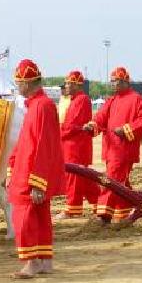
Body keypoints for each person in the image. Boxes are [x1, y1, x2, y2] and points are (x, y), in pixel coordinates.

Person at [7, 59, 64, 278]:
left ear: (27, 83)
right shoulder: (37, 105)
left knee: (24, 218)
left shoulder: (41, 106)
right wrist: (12, 165)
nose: (17, 87)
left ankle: (31, 263)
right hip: (26, 170)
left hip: (30, 175)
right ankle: (44, 262)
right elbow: (25, 141)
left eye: (18, 83)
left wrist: (37, 182)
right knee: (40, 217)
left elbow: (43, 146)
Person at [84, 67, 142, 224]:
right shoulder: (111, 100)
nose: (113, 84)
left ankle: (104, 215)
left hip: (124, 149)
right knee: (120, 182)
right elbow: (100, 118)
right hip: (111, 148)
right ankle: (130, 208)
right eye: (112, 81)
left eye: (116, 81)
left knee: (112, 180)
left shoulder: (137, 99)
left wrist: (126, 129)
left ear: (125, 82)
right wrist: (92, 126)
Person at [57, 70, 98, 220]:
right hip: (72, 146)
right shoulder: (74, 100)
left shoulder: (82, 100)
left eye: (68, 83)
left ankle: (73, 209)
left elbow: (73, 126)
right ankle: (99, 204)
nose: (66, 86)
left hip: (76, 147)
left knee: (74, 178)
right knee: (84, 179)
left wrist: (58, 132)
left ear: (76, 85)